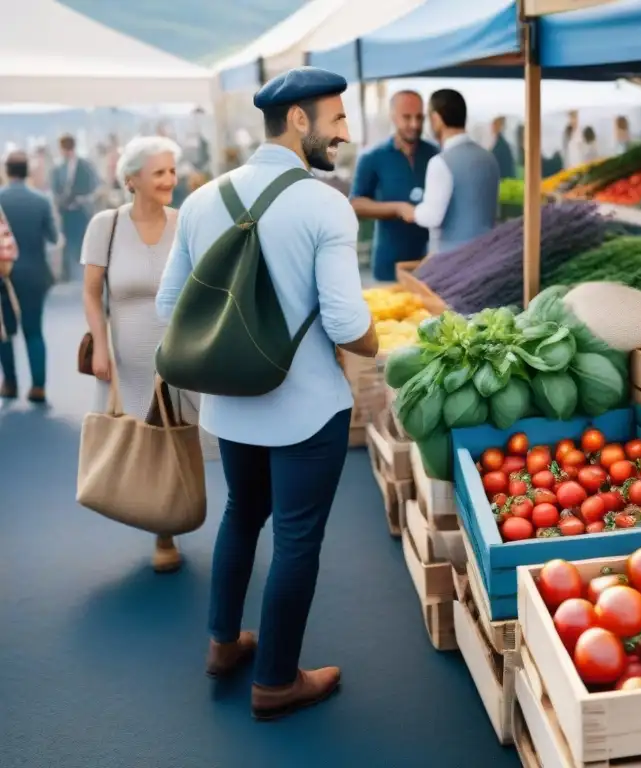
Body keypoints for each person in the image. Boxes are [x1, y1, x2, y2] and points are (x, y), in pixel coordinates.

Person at [156, 66, 377, 720]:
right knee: (297, 541)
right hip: (307, 407)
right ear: (301, 120)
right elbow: (344, 322)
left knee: (241, 516)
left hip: (230, 404)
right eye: (336, 119)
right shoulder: (323, 203)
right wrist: (380, 348)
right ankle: (277, 680)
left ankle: (224, 645)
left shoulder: (200, 200)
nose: (344, 132)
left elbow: (171, 305)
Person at [81, 136, 193, 573]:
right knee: (140, 442)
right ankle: (159, 525)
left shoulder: (185, 222)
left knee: (177, 438)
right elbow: (92, 295)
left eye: (171, 170)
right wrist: (100, 346)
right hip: (126, 354)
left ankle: (172, 520)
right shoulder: (104, 226)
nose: (170, 180)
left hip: (179, 353)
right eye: (160, 173)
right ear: (132, 179)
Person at [350, 90, 438, 281]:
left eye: (419, 117)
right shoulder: (372, 157)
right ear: (392, 117)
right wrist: (397, 208)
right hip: (388, 266)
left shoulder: (436, 155)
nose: (414, 124)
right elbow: (355, 204)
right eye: (406, 117)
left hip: (430, 265)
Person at [399, 89, 500, 256]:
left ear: (436, 119)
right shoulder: (489, 158)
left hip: (453, 263)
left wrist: (409, 211)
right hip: (487, 257)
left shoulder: (440, 163)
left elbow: (432, 216)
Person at [0, 151, 59, 403]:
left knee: (4, 331)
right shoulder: (41, 199)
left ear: (7, 170)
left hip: (4, 276)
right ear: (27, 171)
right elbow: (54, 238)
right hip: (35, 273)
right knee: (34, 330)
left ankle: (10, 383)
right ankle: (38, 387)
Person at [51, 134, 98, 282]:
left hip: (81, 209)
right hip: (65, 210)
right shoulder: (58, 167)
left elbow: (92, 185)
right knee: (65, 241)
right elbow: (55, 187)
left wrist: (81, 199)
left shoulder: (84, 165)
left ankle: (84, 271)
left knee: (83, 240)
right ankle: (66, 272)